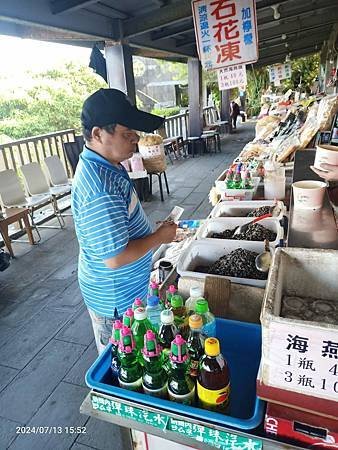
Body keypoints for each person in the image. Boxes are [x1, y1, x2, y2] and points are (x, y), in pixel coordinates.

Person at [71, 88, 177, 354]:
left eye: (135, 134)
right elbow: (115, 258)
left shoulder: (108, 163)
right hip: (115, 299)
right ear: (97, 134)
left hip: (124, 288)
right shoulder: (100, 187)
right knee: (124, 360)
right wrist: (159, 238)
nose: (136, 140)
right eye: (127, 134)